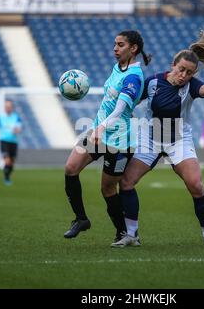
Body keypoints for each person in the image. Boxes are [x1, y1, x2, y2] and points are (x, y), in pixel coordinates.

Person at [113, 28, 204, 248]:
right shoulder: (153, 82)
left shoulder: (191, 85)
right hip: (150, 138)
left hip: (178, 140)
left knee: (196, 184)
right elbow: (130, 101)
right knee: (126, 183)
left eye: (189, 72)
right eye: (181, 69)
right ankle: (131, 235)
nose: (184, 75)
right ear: (173, 65)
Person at [63, 30, 151, 244]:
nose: (115, 48)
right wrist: (98, 128)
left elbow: (120, 109)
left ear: (134, 49)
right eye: (115, 44)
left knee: (108, 188)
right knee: (71, 168)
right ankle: (81, 219)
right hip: (98, 132)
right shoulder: (119, 68)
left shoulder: (133, 76)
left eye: (120, 45)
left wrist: (102, 127)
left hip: (119, 141)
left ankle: (125, 232)